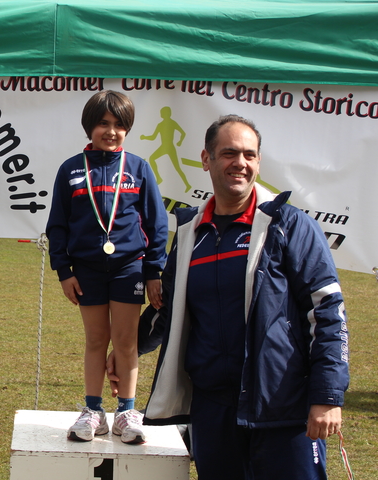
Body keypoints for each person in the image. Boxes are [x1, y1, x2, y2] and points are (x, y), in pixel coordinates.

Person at [141, 115, 349, 479]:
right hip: (213, 411)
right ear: (206, 160)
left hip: (283, 408)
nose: (241, 163)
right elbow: (170, 308)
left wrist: (327, 396)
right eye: (229, 153)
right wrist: (128, 348)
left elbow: (327, 311)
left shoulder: (288, 225)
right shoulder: (191, 233)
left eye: (250, 155)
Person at [45, 90, 168, 444]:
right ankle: (93, 411)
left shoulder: (139, 167)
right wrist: (64, 271)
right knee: (96, 339)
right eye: (103, 124)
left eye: (118, 125)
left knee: (126, 341)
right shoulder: (70, 169)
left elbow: (157, 224)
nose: (111, 131)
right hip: (86, 271)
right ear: (90, 127)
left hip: (130, 267)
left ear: (127, 129)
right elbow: (58, 225)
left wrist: (153, 272)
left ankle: (126, 413)